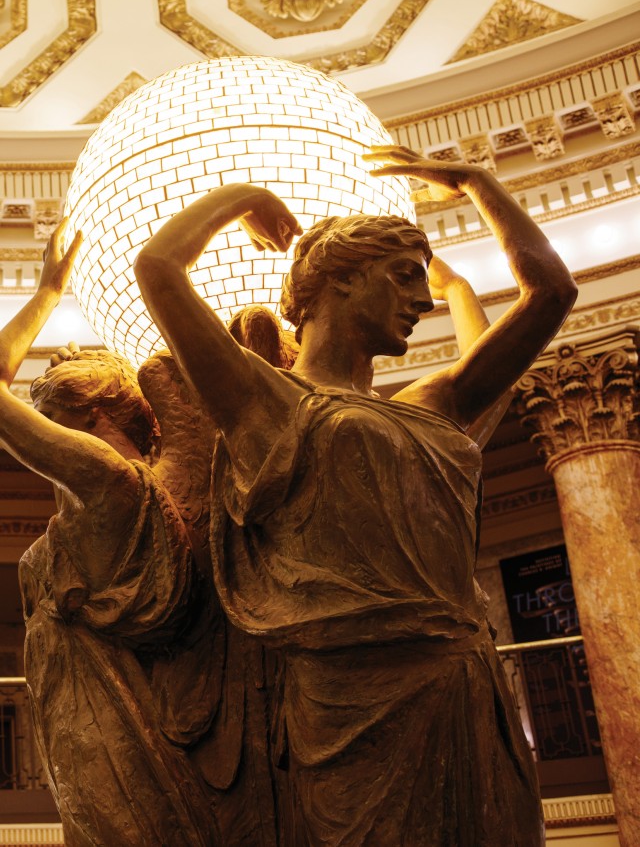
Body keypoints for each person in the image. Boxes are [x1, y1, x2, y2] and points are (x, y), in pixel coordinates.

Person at [134, 145, 578, 846]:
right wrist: (245, 193)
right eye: (402, 275)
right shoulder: (266, 400)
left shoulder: (436, 400)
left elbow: (551, 293)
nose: (423, 299)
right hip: (353, 701)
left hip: (466, 683)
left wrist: (476, 182)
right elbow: (158, 269)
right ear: (334, 280)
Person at [0, 223, 295, 846]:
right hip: (96, 712)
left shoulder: (111, 483)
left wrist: (48, 291)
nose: (45, 442)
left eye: (51, 421)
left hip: (109, 723)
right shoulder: (138, 490)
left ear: (92, 412)